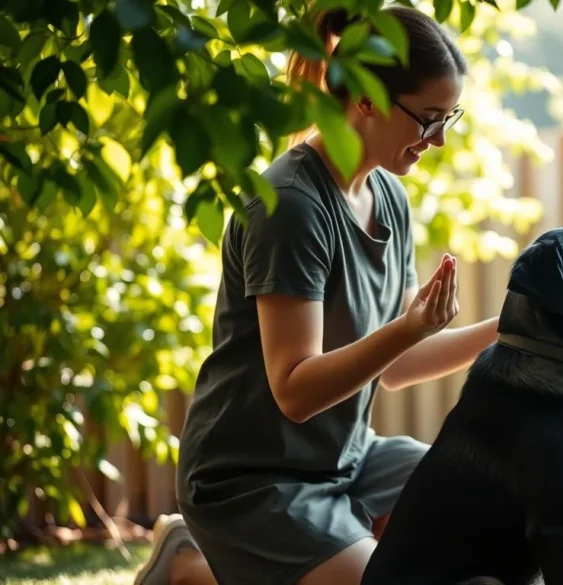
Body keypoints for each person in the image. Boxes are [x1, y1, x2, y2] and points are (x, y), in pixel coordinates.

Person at [132, 5, 499, 585]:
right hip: (251, 479)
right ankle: (191, 567)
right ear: (368, 99)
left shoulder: (390, 198)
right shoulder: (291, 206)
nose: (441, 140)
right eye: (429, 120)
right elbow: (295, 392)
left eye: (450, 117)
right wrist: (408, 328)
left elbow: (399, 365)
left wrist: (514, 326)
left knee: (490, 512)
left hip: (346, 460)